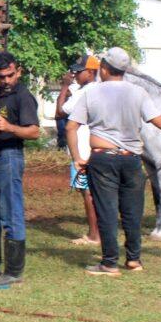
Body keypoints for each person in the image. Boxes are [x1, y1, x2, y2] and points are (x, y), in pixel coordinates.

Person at [66, 47, 161, 276]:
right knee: (132, 212)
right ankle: (133, 260)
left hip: (103, 158)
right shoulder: (138, 93)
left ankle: (109, 263)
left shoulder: (92, 94)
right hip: (132, 159)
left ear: (103, 69)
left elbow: (72, 127)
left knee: (107, 210)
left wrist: (76, 159)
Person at [0, 51, 40, 286]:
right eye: (1, 76)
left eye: (10, 75)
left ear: (19, 72)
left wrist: (8, 126)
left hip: (10, 155)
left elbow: (34, 132)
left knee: (11, 210)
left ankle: (14, 271)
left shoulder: (22, 96)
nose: (6, 81)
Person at [55, 54, 100, 246]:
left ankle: (94, 235)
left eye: (78, 72)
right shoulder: (96, 89)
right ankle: (98, 233)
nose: (74, 75)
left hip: (81, 150)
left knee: (87, 192)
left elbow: (59, 111)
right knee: (95, 192)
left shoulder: (85, 92)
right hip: (94, 147)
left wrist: (64, 86)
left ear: (90, 73)